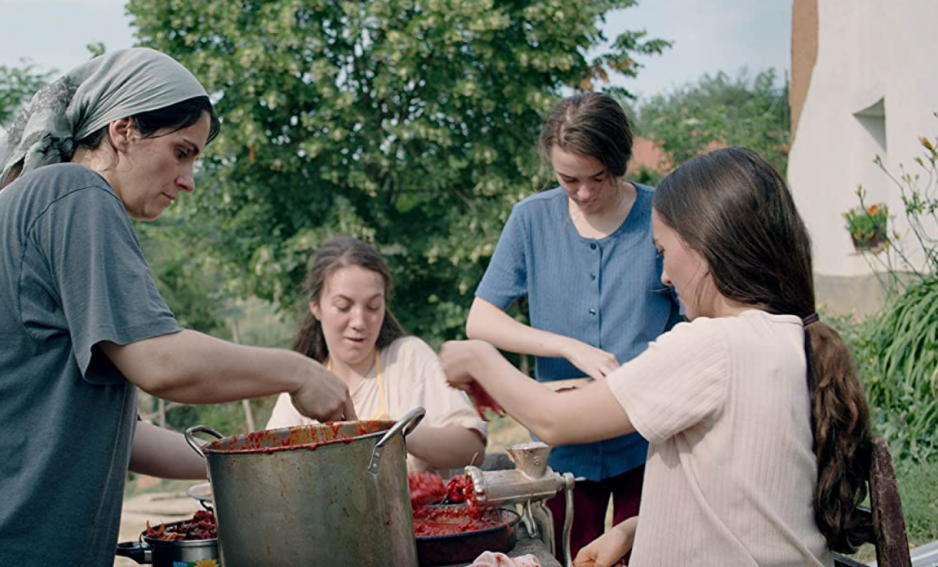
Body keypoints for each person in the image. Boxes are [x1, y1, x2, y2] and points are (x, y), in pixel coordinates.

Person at [0, 48, 356, 567]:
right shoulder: (73, 192)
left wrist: (255, 457)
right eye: (181, 152)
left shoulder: (54, 202)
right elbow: (159, 362)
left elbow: (121, 438)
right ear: (123, 131)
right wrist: (297, 372)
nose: (189, 180)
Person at [442, 147, 875, 566]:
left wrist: (478, 357)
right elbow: (742, 498)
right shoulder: (786, 337)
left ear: (705, 247)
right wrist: (633, 530)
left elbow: (555, 419)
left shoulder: (710, 345)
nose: (664, 275)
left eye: (663, 251)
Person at [466, 92, 681, 558]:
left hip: (651, 442)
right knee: (562, 556)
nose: (583, 193)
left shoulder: (664, 213)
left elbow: (695, 322)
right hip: (560, 452)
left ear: (619, 162)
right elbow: (480, 320)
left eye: (597, 178)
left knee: (648, 555)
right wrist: (567, 347)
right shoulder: (530, 218)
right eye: (568, 180)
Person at [266, 237, 487, 472]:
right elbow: (273, 469)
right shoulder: (302, 388)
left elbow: (472, 448)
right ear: (316, 307)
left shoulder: (408, 358)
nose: (360, 322)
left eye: (373, 307)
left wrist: (394, 433)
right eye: (343, 306)